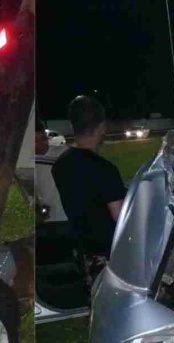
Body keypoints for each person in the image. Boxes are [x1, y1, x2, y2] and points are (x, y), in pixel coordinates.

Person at [50, 95, 126, 286]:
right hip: (109, 254)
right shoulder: (104, 169)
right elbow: (120, 216)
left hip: (83, 251)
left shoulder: (60, 165)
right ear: (101, 127)